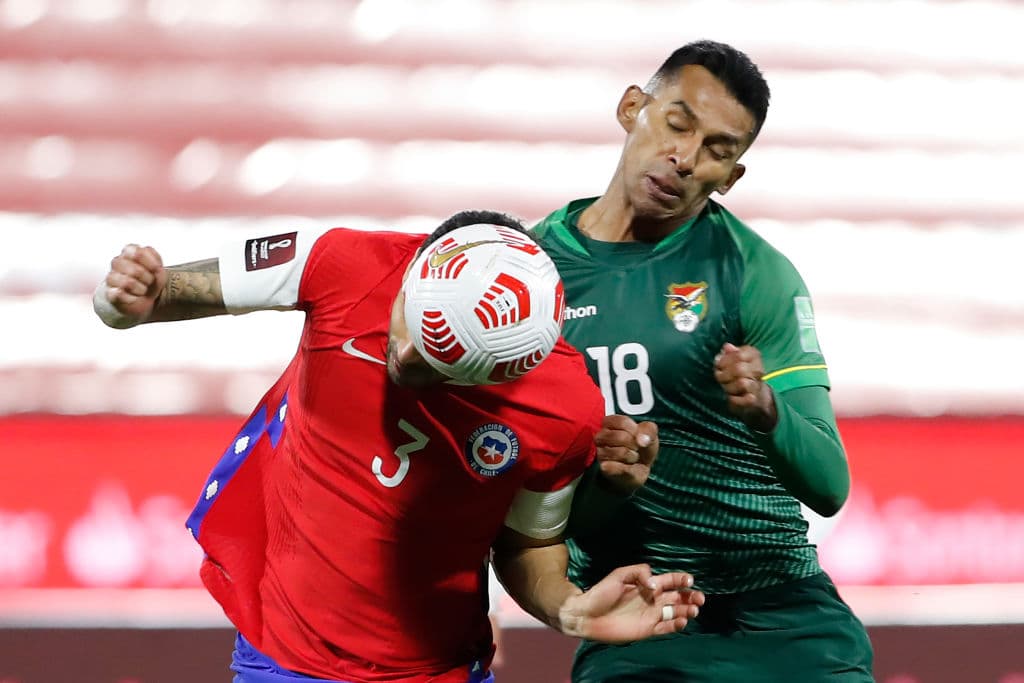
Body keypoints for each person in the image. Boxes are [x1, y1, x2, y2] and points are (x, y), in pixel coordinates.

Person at [92, 210, 705, 683]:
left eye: (446, 364)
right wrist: (124, 304)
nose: (408, 358)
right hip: (285, 656)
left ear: (508, 370)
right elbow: (160, 292)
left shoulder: (564, 411)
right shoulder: (343, 263)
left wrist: (570, 611)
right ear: (417, 268)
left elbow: (527, 546)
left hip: (438, 668)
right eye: (414, 320)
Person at [532, 41, 875, 682]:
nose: (684, 159)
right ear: (633, 107)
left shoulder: (753, 271)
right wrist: (609, 487)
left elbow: (830, 487)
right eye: (677, 123)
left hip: (786, 623)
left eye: (717, 150)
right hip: (641, 626)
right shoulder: (529, 278)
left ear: (732, 175)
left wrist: (768, 411)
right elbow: (524, 503)